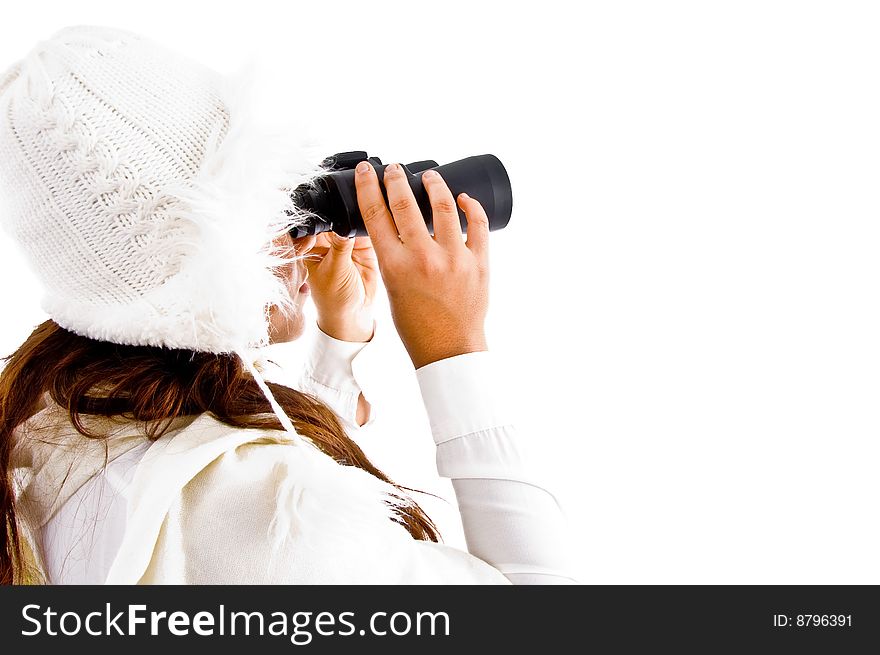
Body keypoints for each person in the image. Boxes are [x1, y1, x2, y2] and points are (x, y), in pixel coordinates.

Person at [0, 25, 575, 585]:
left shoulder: (47, 433)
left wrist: (339, 341)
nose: (309, 237)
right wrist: (453, 348)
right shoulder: (270, 518)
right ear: (203, 259)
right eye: (276, 206)